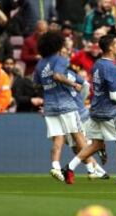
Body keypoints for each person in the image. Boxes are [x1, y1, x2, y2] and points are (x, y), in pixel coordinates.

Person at [63, 35, 116, 186]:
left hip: (95, 110)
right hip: (108, 112)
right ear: (110, 48)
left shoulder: (97, 64)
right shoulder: (111, 67)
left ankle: (69, 167)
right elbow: (113, 96)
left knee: (95, 144)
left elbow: (104, 91)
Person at [33, 31, 92, 184]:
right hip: (65, 103)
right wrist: (73, 84)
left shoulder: (40, 64)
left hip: (50, 106)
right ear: (58, 44)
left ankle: (55, 166)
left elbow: (37, 82)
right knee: (78, 136)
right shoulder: (61, 59)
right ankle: (92, 169)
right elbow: (57, 76)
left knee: (58, 140)